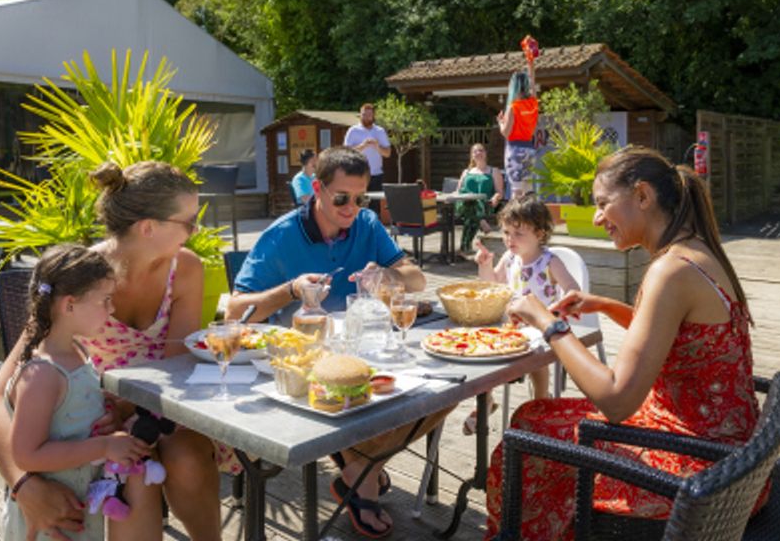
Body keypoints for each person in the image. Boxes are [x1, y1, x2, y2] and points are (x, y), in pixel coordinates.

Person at [483, 147, 761, 540]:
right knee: (533, 415)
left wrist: (545, 321)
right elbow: (682, 342)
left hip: (701, 472)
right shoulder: (695, 251)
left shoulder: (670, 270)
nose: (597, 218)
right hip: (733, 455)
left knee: (528, 436)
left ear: (643, 196)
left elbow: (616, 401)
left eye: (602, 204)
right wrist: (605, 305)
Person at [0, 160, 223, 541]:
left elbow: (178, 365)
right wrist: (23, 484)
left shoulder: (186, 268)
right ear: (149, 227)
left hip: (157, 410)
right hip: (90, 426)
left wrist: (130, 406)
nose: (196, 231)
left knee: (189, 458)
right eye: (189, 221)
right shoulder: (79, 280)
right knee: (134, 478)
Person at [227, 145, 444, 538]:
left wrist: (388, 278)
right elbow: (234, 311)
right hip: (299, 367)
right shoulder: (281, 236)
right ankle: (363, 472)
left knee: (444, 391)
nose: (351, 208)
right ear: (316, 188)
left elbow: (416, 279)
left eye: (360, 198)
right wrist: (291, 290)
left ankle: (362, 469)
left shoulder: (366, 224)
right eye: (341, 198)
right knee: (390, 397)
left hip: (364, 354)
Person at [2, 243, 148, 541]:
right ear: (69, 305)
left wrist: (103, 407)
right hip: (52, 518)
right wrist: (104, 447)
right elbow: (26, 455)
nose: (112, 309)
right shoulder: (42, 374)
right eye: (105, 300)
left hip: (77, 502)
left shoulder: (79, 352)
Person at [466, 194, 577, 434]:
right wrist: (484, 265)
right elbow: (492, 286)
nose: (509, 239)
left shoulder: (549, 262)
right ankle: (485, 400)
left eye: (518, 234)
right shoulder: (509, 259)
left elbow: (572, 290)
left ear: (539, 234)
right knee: (486, 345)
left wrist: (552, 310)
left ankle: (540, 401)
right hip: (512, 326)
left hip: (542, 327)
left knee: (535, 352)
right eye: (506, 233)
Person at [498, 37, 539, 198]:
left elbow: (506, 133)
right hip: (529, 149)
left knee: (516, 190)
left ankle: (516, 221)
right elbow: (533, 81)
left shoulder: (513, 107)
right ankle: (530, 219)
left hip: (514, 149)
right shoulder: (532, 104)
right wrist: (531, 62)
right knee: (528, 189)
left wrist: (501, 122)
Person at [454, 143, 505, 254]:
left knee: (471, 213)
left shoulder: (494, 171)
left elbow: (500, 192)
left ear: (485, 154)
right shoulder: (466, 172)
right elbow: (459, 191)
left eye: (481, 150)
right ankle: (481, 221)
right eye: (475, 151)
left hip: (485, 205)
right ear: (472, 156)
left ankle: (465, 246)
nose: (478, 153)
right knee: (469, 204)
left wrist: (496, 197)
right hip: (463, 204)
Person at [344, 103, 391, 213]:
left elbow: (387, 153)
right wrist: (363, 146)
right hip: (358, 174)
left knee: (374, 207)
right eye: (364, 114)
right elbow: (346, 152)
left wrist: (377, 146)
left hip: (375, 174)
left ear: (373, 116)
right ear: (360, 115)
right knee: (358, 205)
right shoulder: (353, 131)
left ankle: (372, 228)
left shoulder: (379, 131)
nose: (367, 117)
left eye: (370, 114)